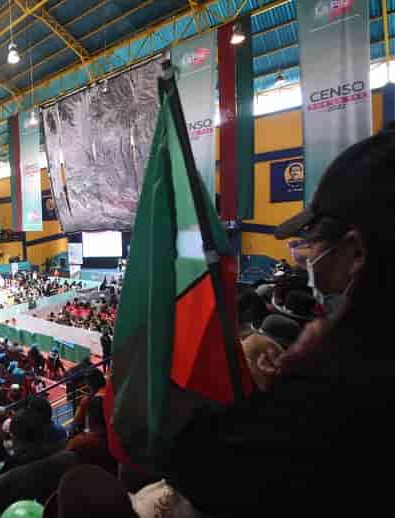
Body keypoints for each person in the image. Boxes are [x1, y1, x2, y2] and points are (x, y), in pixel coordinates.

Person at [141, 126, 395, 517]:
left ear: (355, 252)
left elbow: (199, 464)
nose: (307, 260)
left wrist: (298, 375)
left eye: (312, 243)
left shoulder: (343, 379)